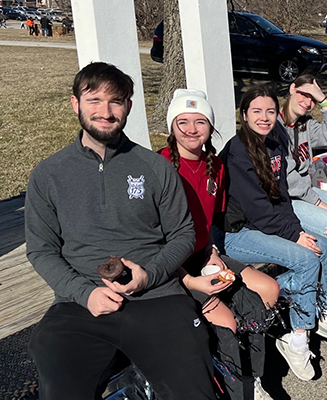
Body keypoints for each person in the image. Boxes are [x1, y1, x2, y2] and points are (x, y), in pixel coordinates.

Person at [25, 62, 217, 399]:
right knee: (60, 387)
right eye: (94, 100)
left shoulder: (154, 167)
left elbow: (183, 234)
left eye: (116, 101)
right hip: (81, 304)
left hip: (158, 298)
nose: (105, 111)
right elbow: (41, 249)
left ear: (128, 106)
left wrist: (150, 275)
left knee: (193, 388)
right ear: (76, 103)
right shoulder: (48, 174)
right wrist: (84, 293)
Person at [159, 89, 281, 399]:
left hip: (203, 254)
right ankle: (231, 383)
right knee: (226, 322)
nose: (191, 129)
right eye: (182, 121)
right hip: (173, 267)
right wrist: (191, 281)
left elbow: (211, 222)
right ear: (171, 126)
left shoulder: (216, 165)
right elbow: (152, 241)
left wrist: (213, 250)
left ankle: (253, 377)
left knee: (268, 290)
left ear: (211, 127)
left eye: (200, 121)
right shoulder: (158, 167)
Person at [219, 84, 327, 381]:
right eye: (257, 112)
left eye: (270, 111)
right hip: (235, 232)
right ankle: (296, 338)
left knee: (322, 245)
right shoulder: (238, 151)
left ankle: (325, 309)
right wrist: (294, 236)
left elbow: (282, 196)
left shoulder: (275, 141)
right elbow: (258, 209)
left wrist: (297, 229)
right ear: (244, 115)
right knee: (307, 259)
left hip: (262, 223)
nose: (264, 117)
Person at [280, 74, 327, 306]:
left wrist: (324, 101)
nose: (307, 102)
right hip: (285, 201)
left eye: (313, 99)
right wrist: (317, 203)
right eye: (304, 94)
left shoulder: (305, 125)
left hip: (307, 194)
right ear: (292, 88)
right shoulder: (274, 125)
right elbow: (287, 179)